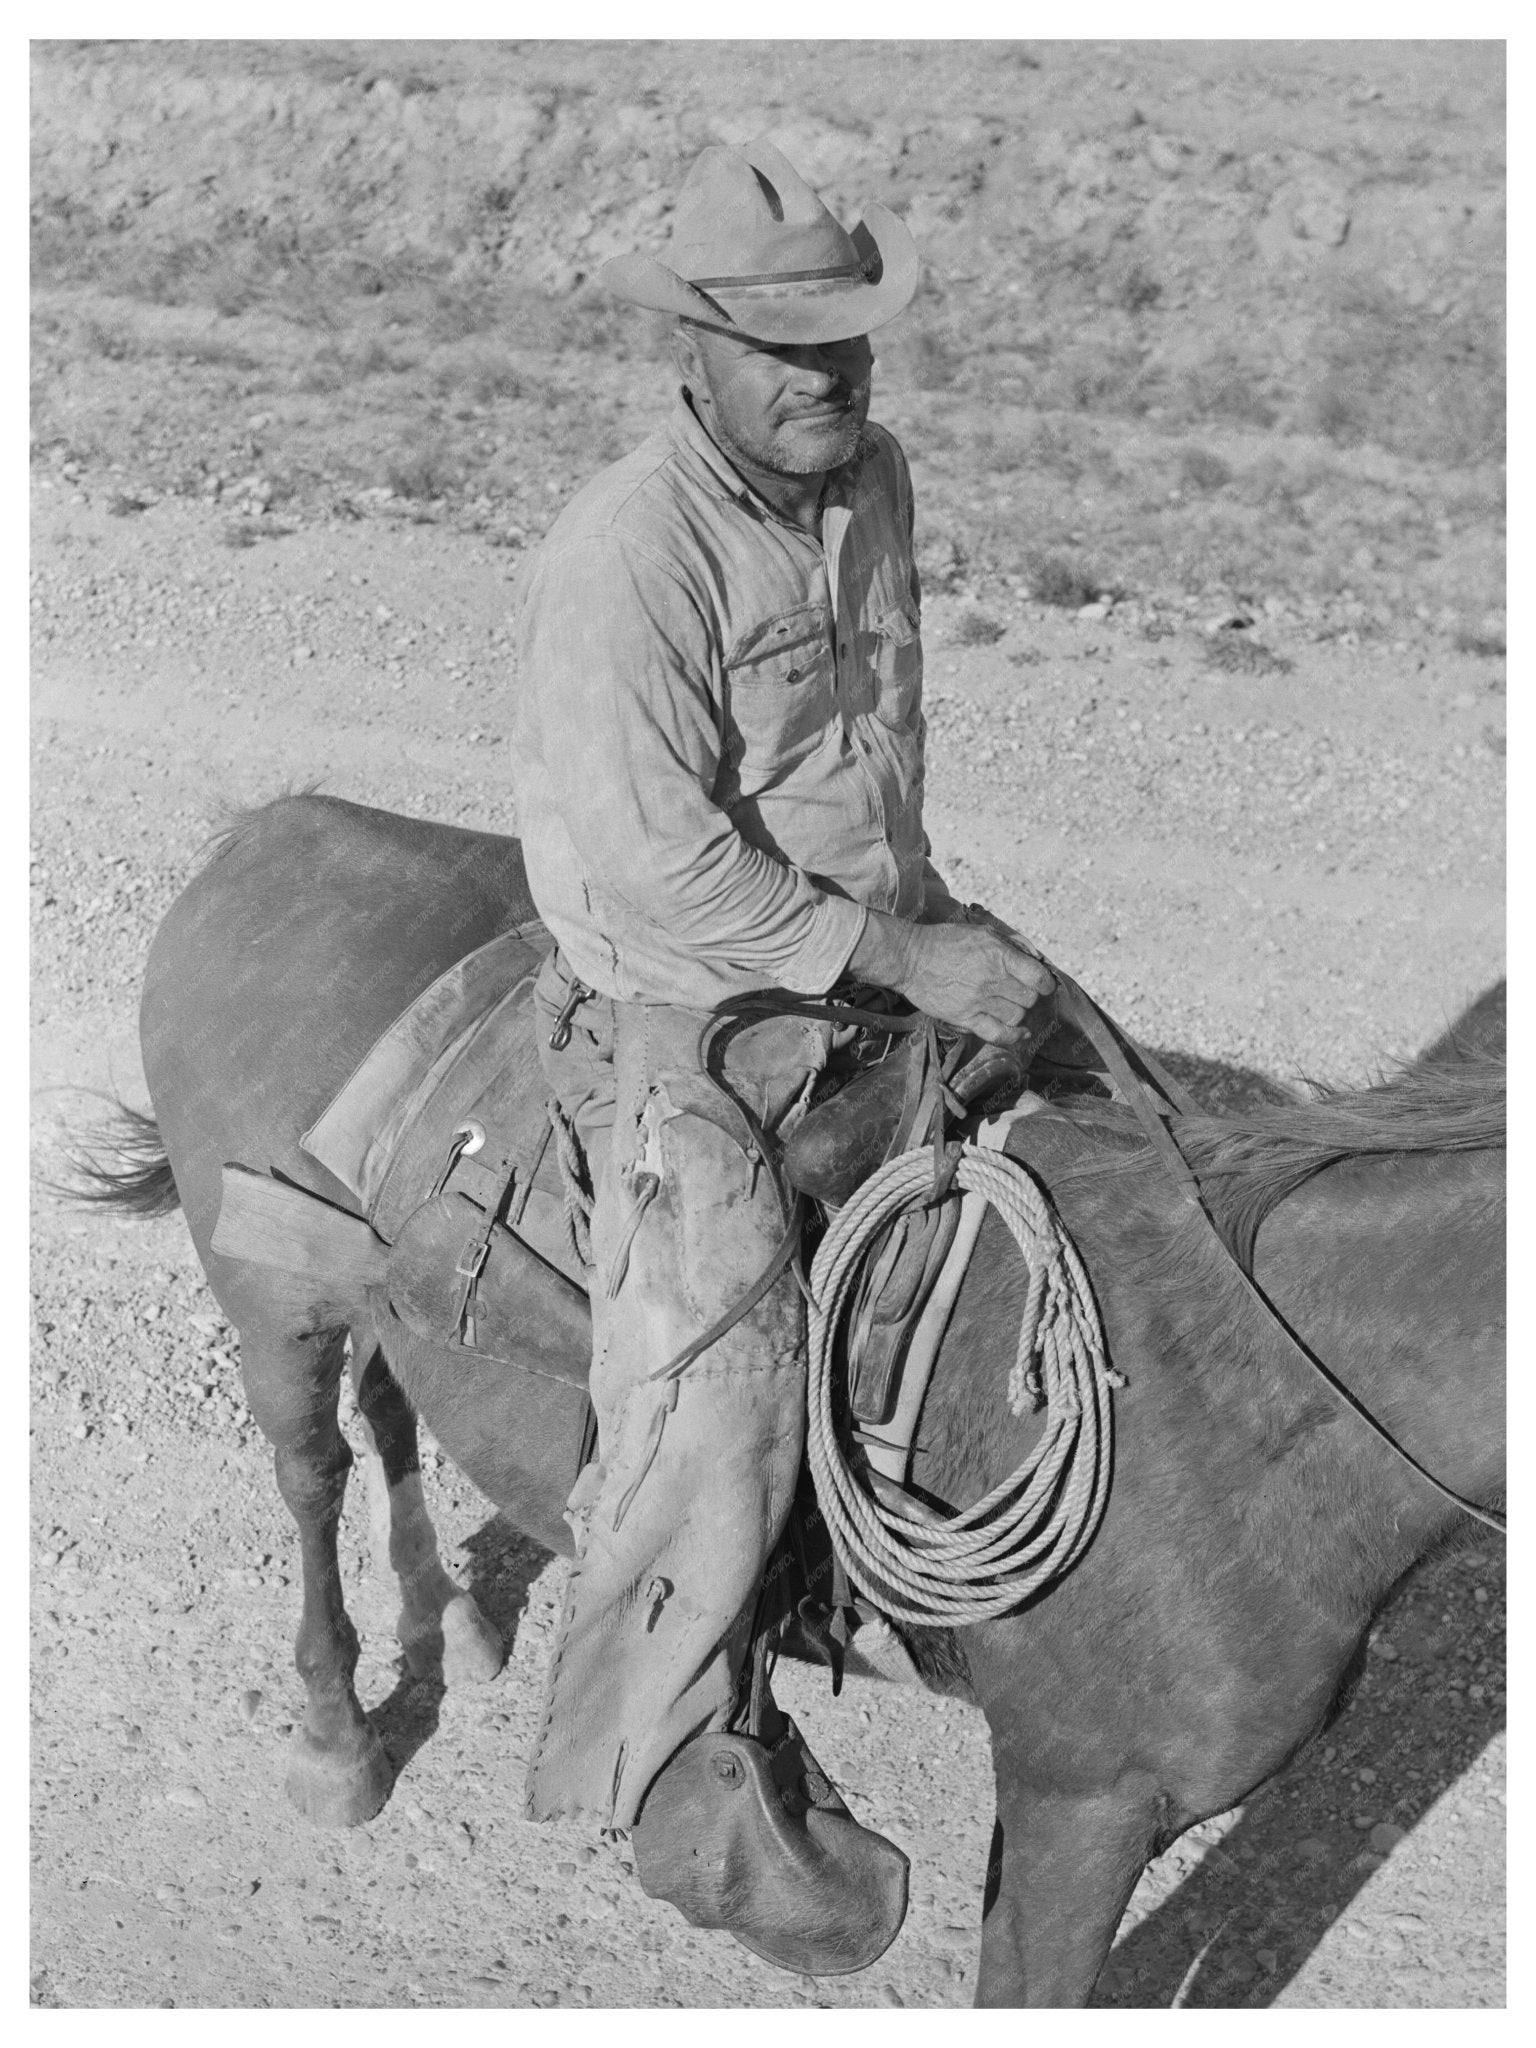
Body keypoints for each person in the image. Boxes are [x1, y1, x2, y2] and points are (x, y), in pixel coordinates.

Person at [509, 138, 1053, 1969]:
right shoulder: (631, 550)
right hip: (690, 999)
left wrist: (933, 923)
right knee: (720, 1383)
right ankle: (677, 1773)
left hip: (869, 942)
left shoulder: (869, 478)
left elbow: (875, 751)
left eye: (851, 347)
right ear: (697, 350)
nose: (829, 379)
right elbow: (665, 857)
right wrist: (893, 953)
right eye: (786, 350)